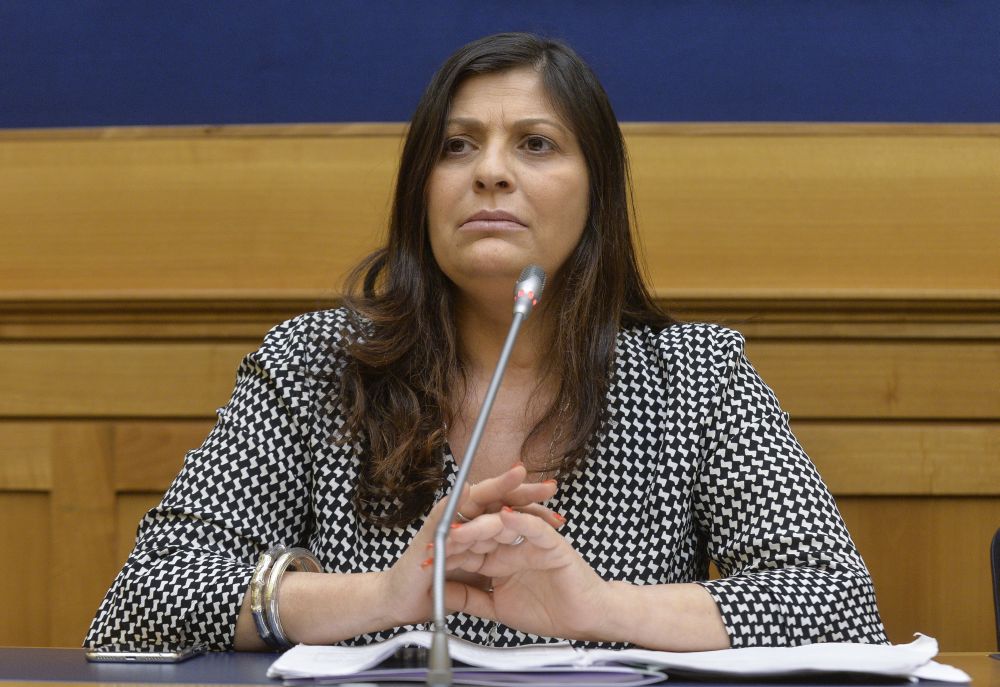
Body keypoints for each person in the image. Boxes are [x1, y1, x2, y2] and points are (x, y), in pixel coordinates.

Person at [85, 32, 886, 653]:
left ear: (597, 192)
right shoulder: (315, 364)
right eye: (457, 145)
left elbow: (838, 601)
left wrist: (599, 607)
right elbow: (142, 598)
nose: (490, 173)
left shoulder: (696, 375)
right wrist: (384, 595)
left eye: (536, 143)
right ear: (420, 191)